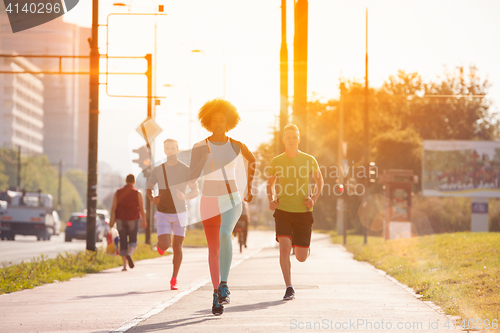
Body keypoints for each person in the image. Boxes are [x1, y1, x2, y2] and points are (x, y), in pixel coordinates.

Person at [188, 98, 256, 316]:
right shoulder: (200, 146)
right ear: (208, 122)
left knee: (225, 234)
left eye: (222, 120)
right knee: (213, 249)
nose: (218, 124)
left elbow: (252, 160)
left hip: (231, 198)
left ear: (229, 122)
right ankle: (216, 292)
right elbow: (192, 175)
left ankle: (224, 284)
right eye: (214, 120)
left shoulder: (236, 145)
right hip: (208, 199)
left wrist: (249, 188)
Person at [267, 124, 324, 301]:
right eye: (288, 137)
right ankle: (289, 287)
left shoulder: (309, 160)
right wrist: (271, 199)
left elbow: (319, 180)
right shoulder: (276, 161)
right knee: (284, 248)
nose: (291, 140)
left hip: (303, 212)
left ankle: (303, 245)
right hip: (283, 210)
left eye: (295, 137)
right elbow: (269, 184)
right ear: (284, 140)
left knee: (301, 257)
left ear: (299, 139)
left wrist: (313, 198)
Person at [146, 139, 199, 290]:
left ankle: (174, 278)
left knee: (178, 246)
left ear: (177, 150)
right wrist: (152, 198)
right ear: (164, 151)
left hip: (180, 213)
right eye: (167, 148)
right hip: (163, 212)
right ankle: (160, 245)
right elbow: (149, 188)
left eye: (172, 148)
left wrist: (186, 196)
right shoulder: (158, 170)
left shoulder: (185, 169)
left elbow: (195, 190)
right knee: (165, 244)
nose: (169, 151)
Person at [110, 174, 147, 271]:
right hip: (133, 219)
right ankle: (129, 254)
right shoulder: (137, 193)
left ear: (126, 181)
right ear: (134, 181)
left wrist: (111, 220)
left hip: (120, 219)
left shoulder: (118, 192)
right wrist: (144, 220)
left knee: (123, 241)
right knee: (133, 241)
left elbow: (113, 207)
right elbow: (142, 209)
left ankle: (124, 266)